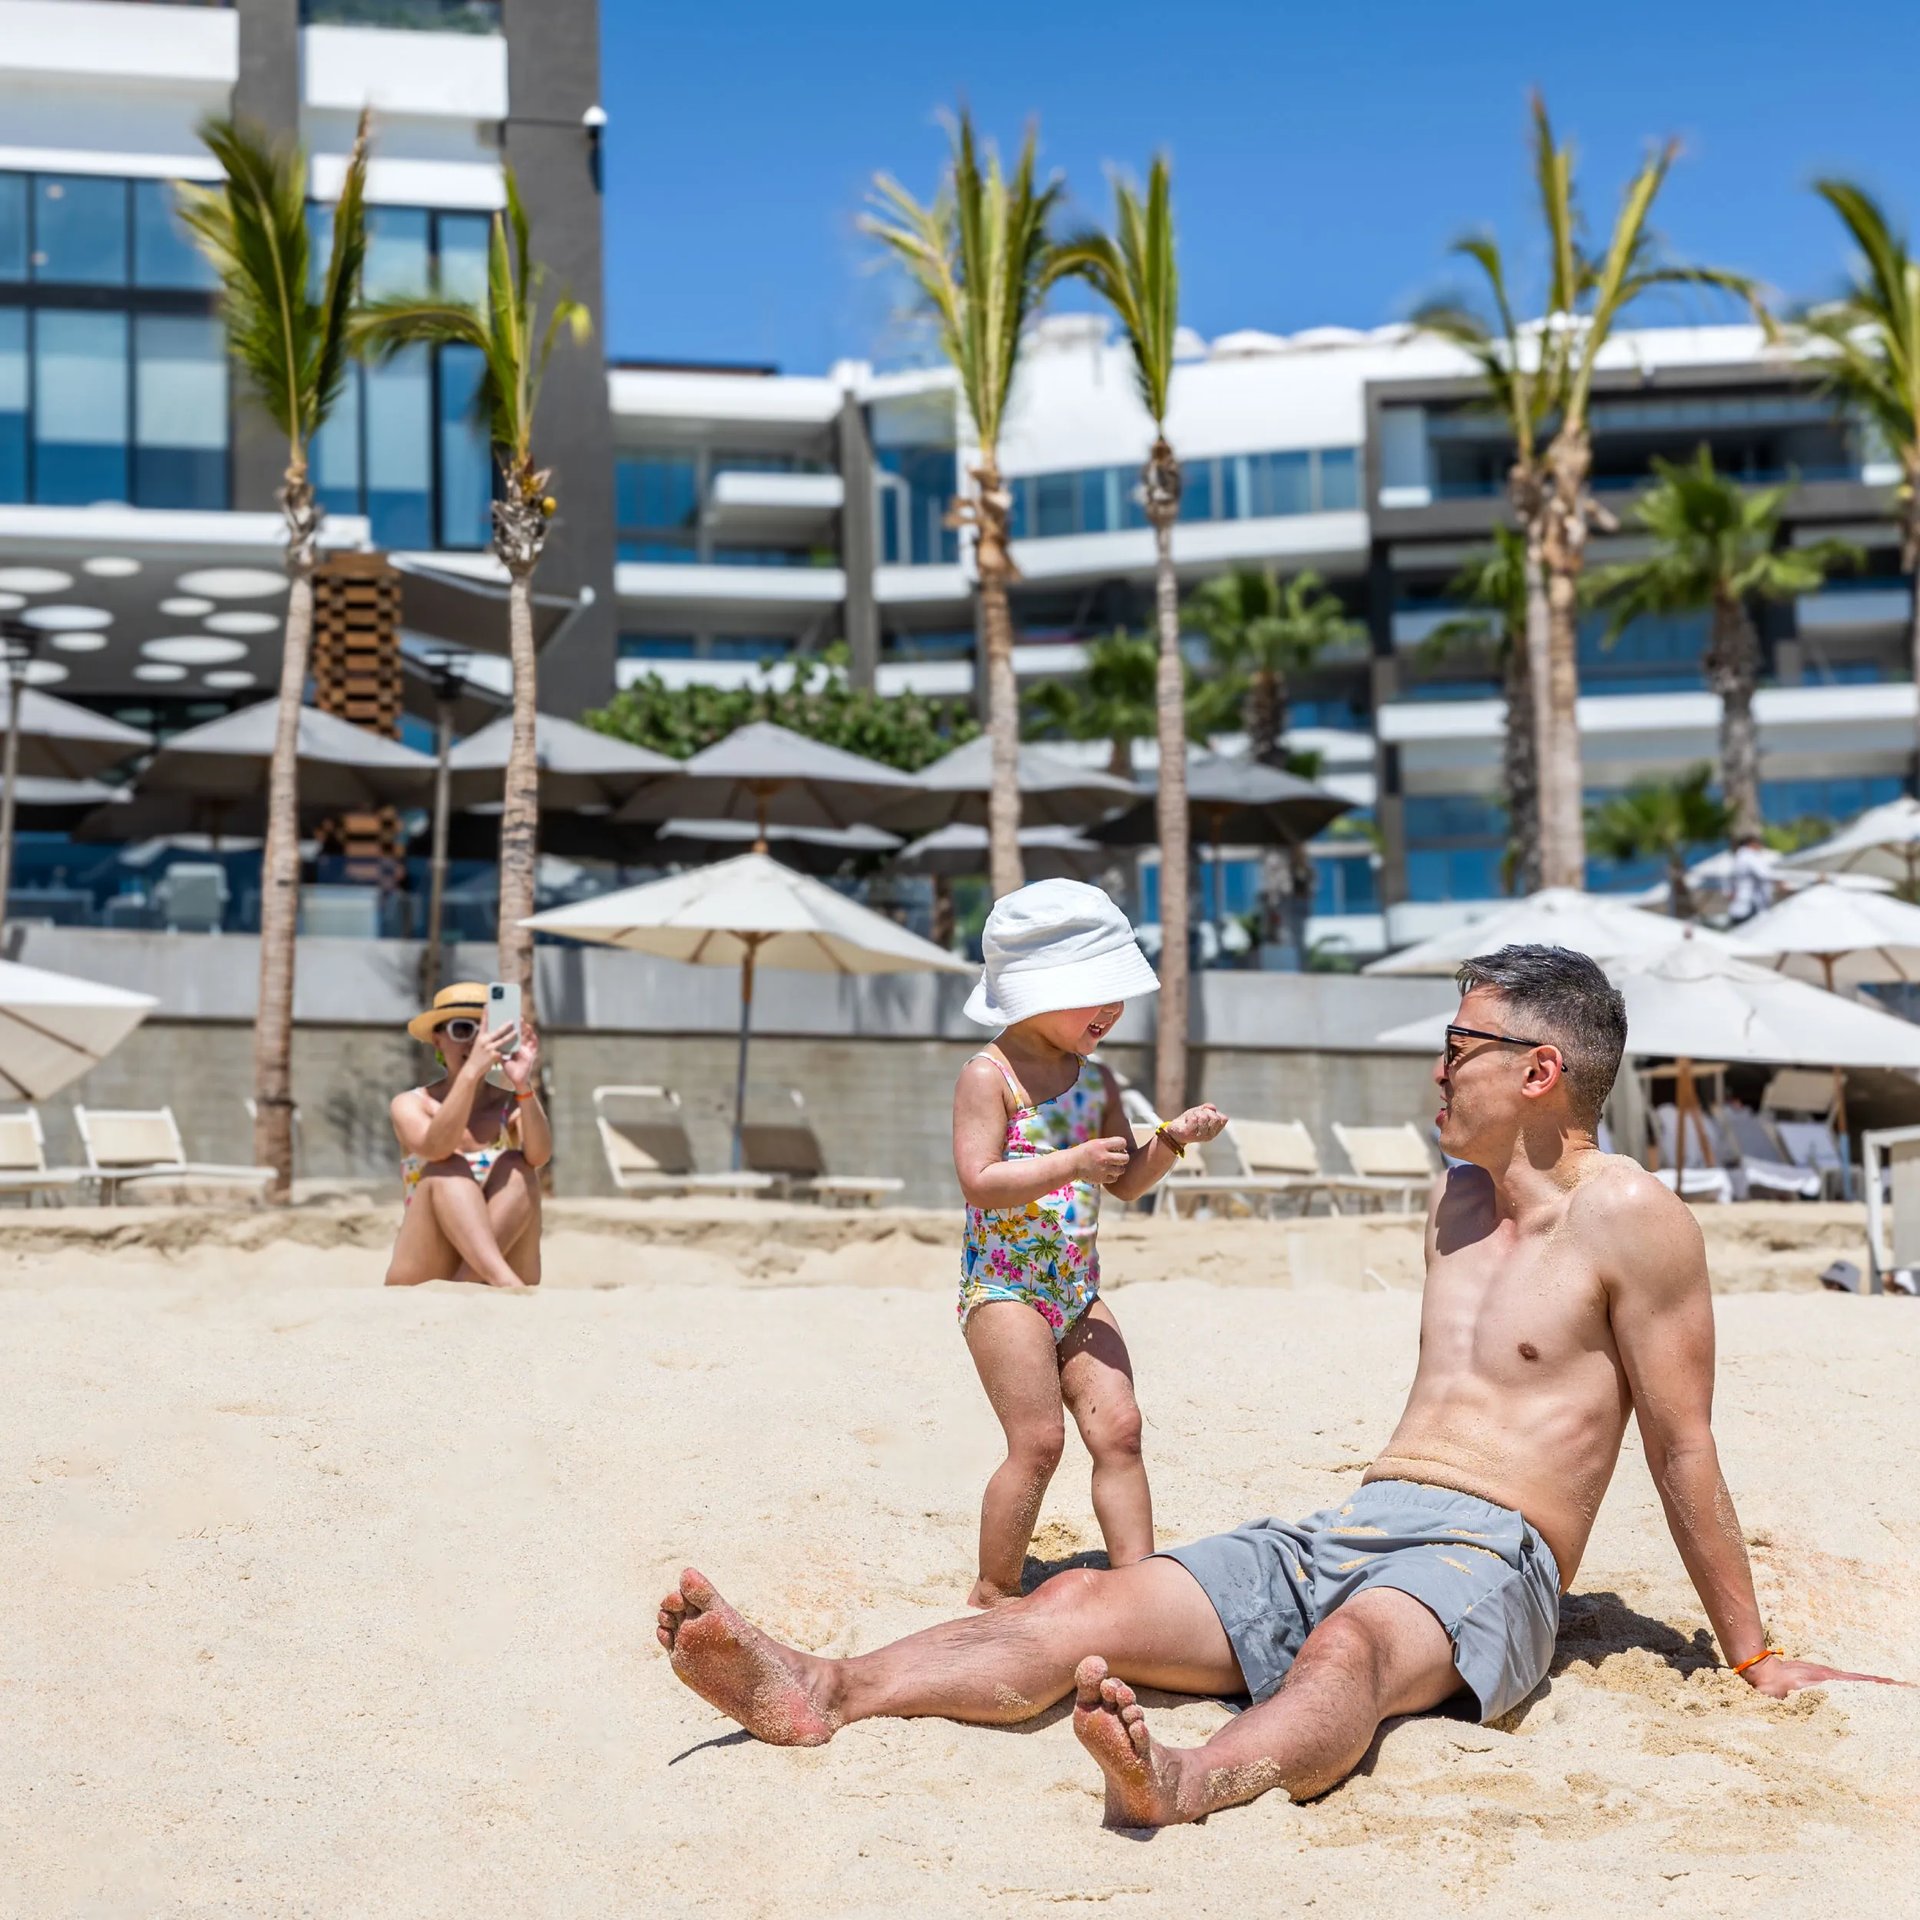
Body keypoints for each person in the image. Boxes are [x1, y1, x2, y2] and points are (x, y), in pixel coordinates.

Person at [656, 943, 1897, 1826]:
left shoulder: (1639, 1220)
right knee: (1092, 1600)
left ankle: (1191, 1780)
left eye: (1458, 1047)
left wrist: (1752, 1654)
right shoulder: (1458, 1195)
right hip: (1352, 1518)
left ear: (1537, 1071)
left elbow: (1683, 1448)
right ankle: (828, 1685)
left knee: (1349, 1650)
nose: (1435, 1073)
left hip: (1491, 1555)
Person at [951, 880, 1226, 1607]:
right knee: (1039, 1442)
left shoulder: (1095, 1077)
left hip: (1076, 1289)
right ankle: (994, 1589)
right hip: (1006, 1288)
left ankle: (1138, 1587)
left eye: (1117, 993)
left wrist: (1168, 1138)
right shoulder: (990, 1077)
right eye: (1095, 992)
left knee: (1122, 1428)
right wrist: (1069, 1163)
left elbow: (1129, 1181)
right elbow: (979, 1181)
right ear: (1038, 991)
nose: (1112, 1009)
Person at [385, 982, 550, 1290]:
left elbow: (539, 1156)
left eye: (484, 1030)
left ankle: (470, 1282)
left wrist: (523, 1085)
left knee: (520, 1167)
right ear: (437, 1040)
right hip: (429, 1268)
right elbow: (437, 1149)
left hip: (490, 1267)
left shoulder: (510, 1105)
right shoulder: (411, 1104)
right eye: (463, 1030)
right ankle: (500, 1281)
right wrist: (472, 1072)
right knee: (446, 1169)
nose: (476, 1041)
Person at [1726, 832, 1774, 925]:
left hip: (1741, 905)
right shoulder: (1748, 856)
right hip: (1750, 905)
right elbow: (1765, 874)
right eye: (1759, 843)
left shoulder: (1738, 858)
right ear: (1751, 844)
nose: (1760, 846)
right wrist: (1782, 882)